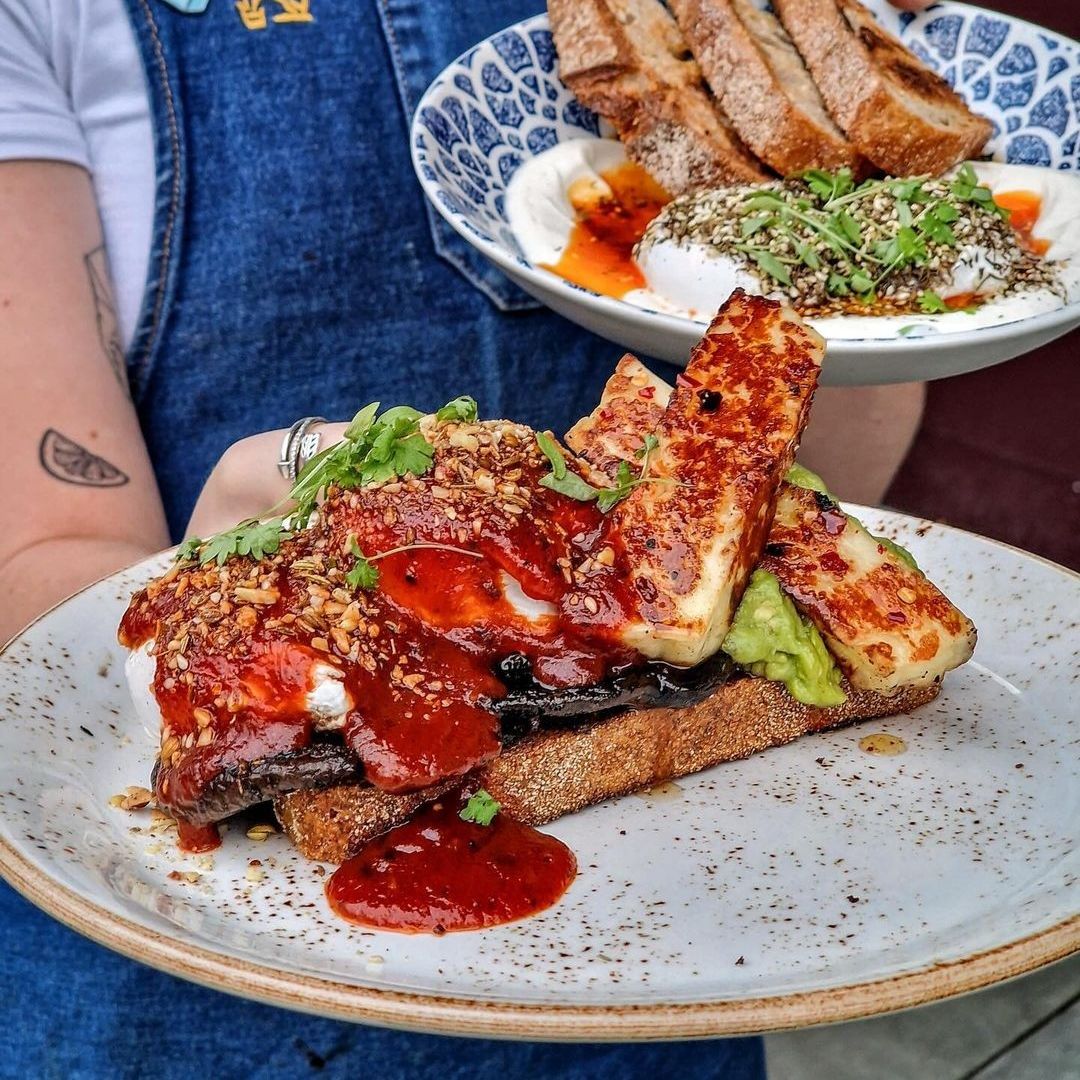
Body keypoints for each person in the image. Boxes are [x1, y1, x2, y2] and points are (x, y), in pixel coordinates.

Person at [0, 0, 932, 1075]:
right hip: (195, 991)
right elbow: (33, 573)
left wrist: (838, 184)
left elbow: (839, 477)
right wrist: (231, 569)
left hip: (658, 957)